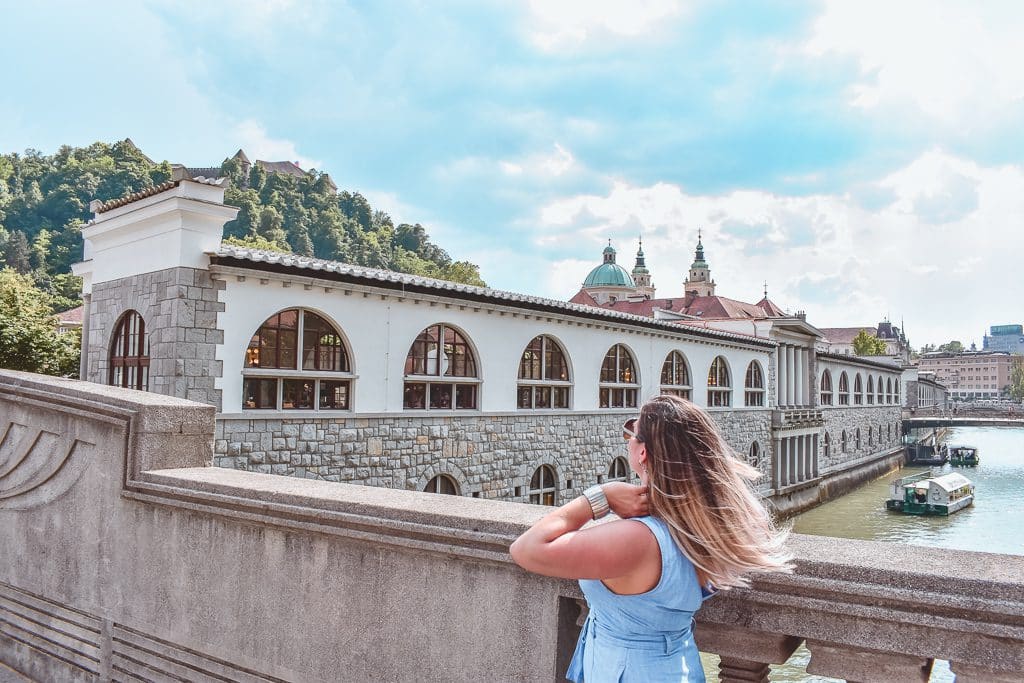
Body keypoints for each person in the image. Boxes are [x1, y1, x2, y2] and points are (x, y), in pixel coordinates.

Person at [510, 395, 791, 682]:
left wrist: (600, 497)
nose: (627, 439)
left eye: (631, 432)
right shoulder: (704, 528)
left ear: (642, 452)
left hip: (629, 670)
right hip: (676, 664)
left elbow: (526, 549)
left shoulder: (638, 539)